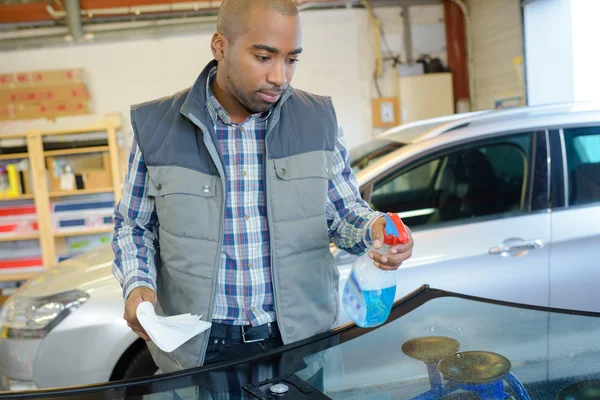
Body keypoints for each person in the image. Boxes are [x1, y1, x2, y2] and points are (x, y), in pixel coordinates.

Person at [111, 0, 414, 379]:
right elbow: (133, 226)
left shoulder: (317, 119)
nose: (280, 76)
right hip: (202, 349)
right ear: (220, 46)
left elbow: (343, 213)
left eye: (291, 60)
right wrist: (138, 283)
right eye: (264, 57)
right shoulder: (157, 127)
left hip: (300, 344)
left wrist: (376, 230)